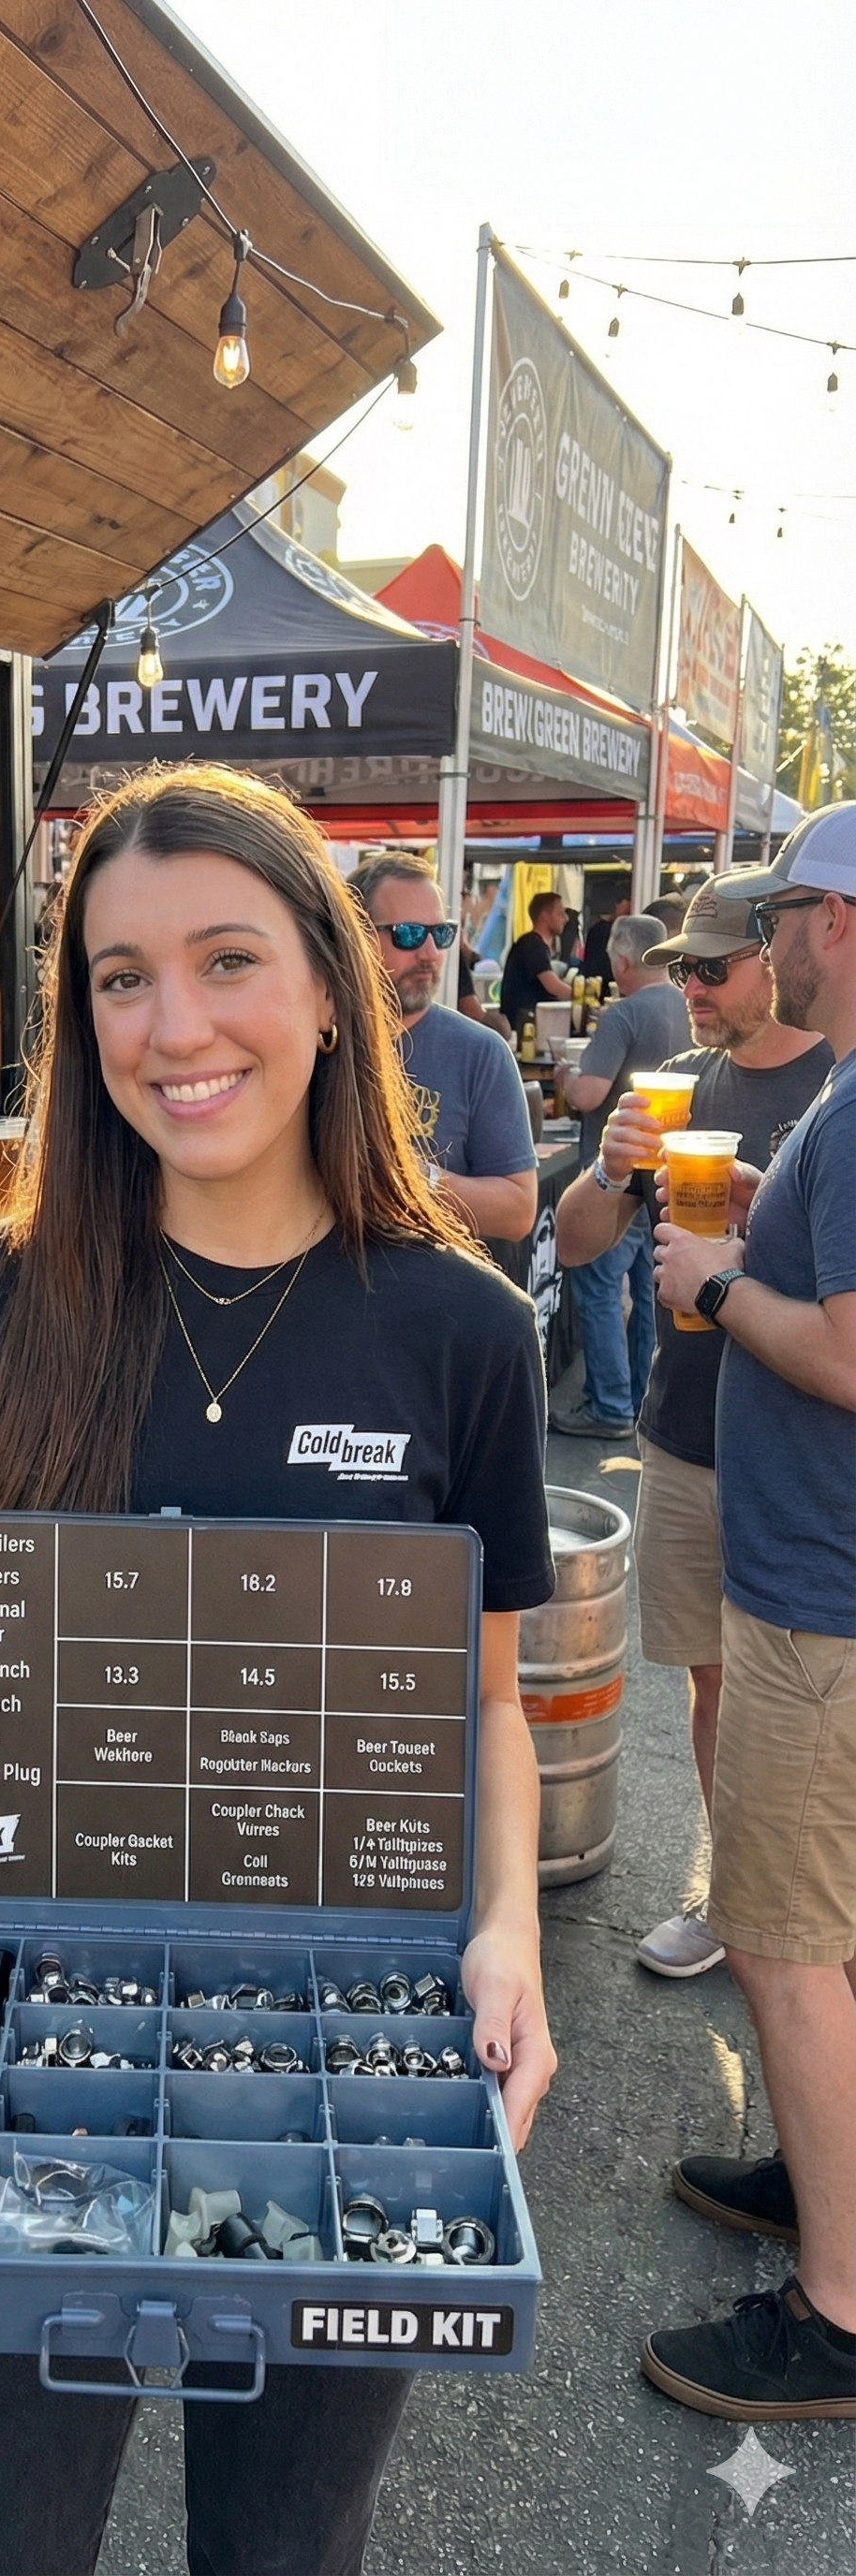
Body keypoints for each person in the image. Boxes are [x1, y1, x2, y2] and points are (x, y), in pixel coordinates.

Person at [0, 766, 559, 2573]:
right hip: (11, 1986)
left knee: (288, 2545)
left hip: (352, 2024)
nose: (173, 1026)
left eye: (225, 960)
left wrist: (504, 1923)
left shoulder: (458, 1328)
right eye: (120, 978)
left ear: (327, 990)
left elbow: (486, 1703)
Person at [642, 808, 856, 2422]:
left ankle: (838, 2310)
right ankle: (818, 2171)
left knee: (782, 1942)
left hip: (821, 1595)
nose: (768, 942)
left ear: (834, 922)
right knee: (824, 1934)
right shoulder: (836, 1105)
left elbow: (850, 1357)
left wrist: (711, 1282)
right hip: (820, 1579)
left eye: (785, 910)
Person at [553, 878, 832, 1975]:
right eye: (684, 970)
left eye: (715, 969)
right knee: (711, 1676)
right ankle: (732, 1899)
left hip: (803, 1453)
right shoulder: (670, 1084)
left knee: (805, 1692)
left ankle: (806, 1927)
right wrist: (615, 1167)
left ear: (778, 956)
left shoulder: (835, 1087)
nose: (695, 990)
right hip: (684, 1430)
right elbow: (575, 1243)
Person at [552, 915, 689, 1438]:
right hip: (666, 1175)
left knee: (599, 1289)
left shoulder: (624, 1013)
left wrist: (564, 1073)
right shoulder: (684, 1004)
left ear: (625, 962)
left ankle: (610, 1405)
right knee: (649, 1292)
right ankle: (634, 1399)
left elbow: (587, 1095)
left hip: (616, 1174)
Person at [354, 852, 538, 1241]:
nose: (430, 954)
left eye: (441, 934)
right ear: (356, 934)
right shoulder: (311, 1039)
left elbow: (518, 1211)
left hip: (429, 1294)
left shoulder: (479, 1053)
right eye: (408, 934)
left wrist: (413, 1177)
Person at [500, 888, 569, 1030]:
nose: (566, 918)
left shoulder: (535, 945)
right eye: (560, 913)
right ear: (545, 916)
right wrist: (584, 997)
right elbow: (553, 986)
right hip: (524, 1028)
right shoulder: (532, 944)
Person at [579, 885, 629, 993]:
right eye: (628, 902)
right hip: (606, 990)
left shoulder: (596, 929)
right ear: (618, 904)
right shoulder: (609, 931)